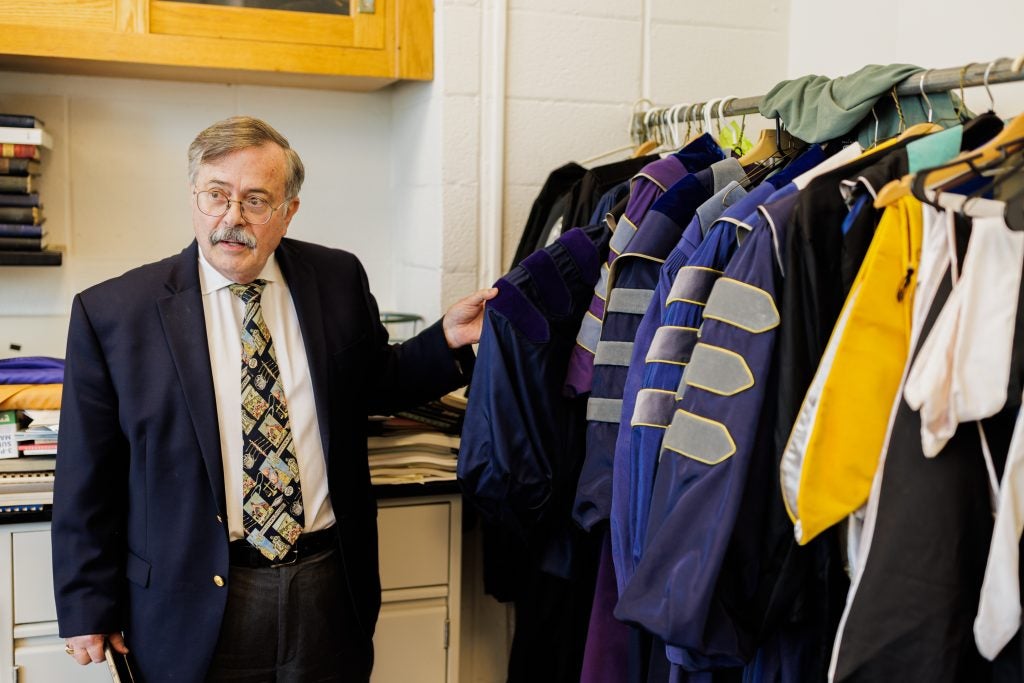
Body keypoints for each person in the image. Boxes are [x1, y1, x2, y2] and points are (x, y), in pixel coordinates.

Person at [51, 115, 496, 682]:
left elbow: (375, 384)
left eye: (256, 200)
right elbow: (86, 475)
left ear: (288, 210)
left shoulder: (335, 277)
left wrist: (448, 338)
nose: (232, 218)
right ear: (194, 197)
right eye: (216, 195)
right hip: (189, 597)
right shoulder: (114, 314)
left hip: (328, 585)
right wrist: (88, 606)